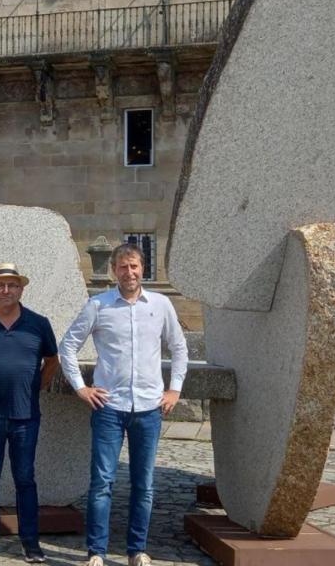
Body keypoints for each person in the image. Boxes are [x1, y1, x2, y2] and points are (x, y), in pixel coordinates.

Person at [58, 243, 188, 566]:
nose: (129, 272)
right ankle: (96, 552)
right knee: (102, 482)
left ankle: (136, 550)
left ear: (143, 269)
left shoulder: (160, 305)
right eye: (122, 267)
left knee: (144, 484)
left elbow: (179, 347)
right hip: (109, 409)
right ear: (114, 271)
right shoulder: (98, 306)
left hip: (148, 409)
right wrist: (81, 388)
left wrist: (174, 390)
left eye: (134, 266)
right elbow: (68, 346)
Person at [0, 263, 59, 563]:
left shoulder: (38, 324)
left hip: (26, 417)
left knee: (25, 479)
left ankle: (30, 541)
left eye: (12, 285)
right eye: (0, 285)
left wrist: (34, 389)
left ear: (21, 288)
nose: (6, 290)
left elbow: (51, 362)